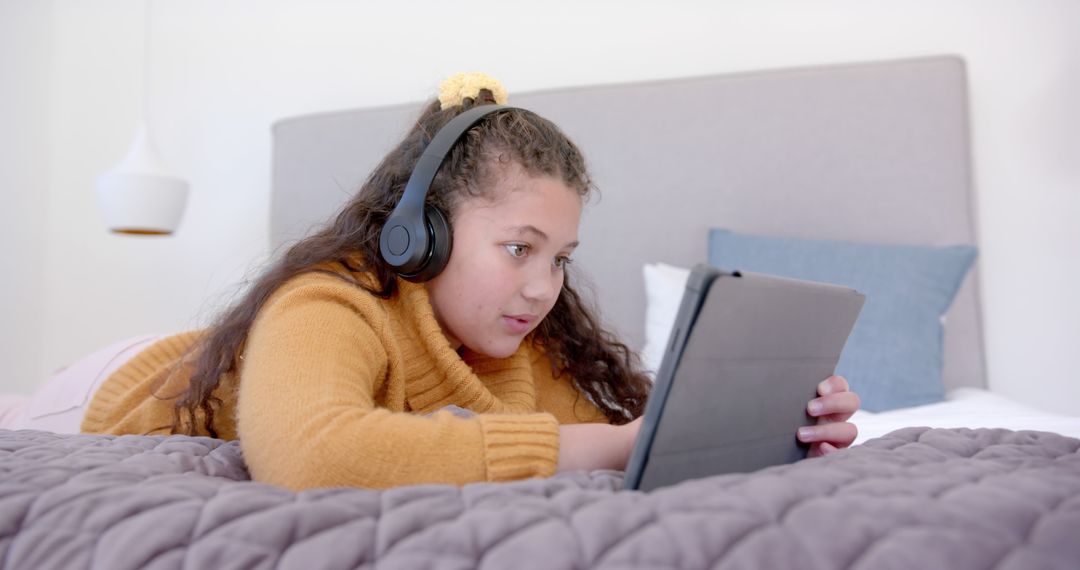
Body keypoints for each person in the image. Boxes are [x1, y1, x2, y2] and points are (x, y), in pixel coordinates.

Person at [8, 73, 860, 490]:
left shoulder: (528, 347)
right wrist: (606, 444)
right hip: (112, 392)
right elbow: (311, 454)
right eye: (519, 248)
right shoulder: (330, 301)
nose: (542, 288)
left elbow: (617, 444)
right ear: (426, 232)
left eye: (560, 258)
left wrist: (771, 432)